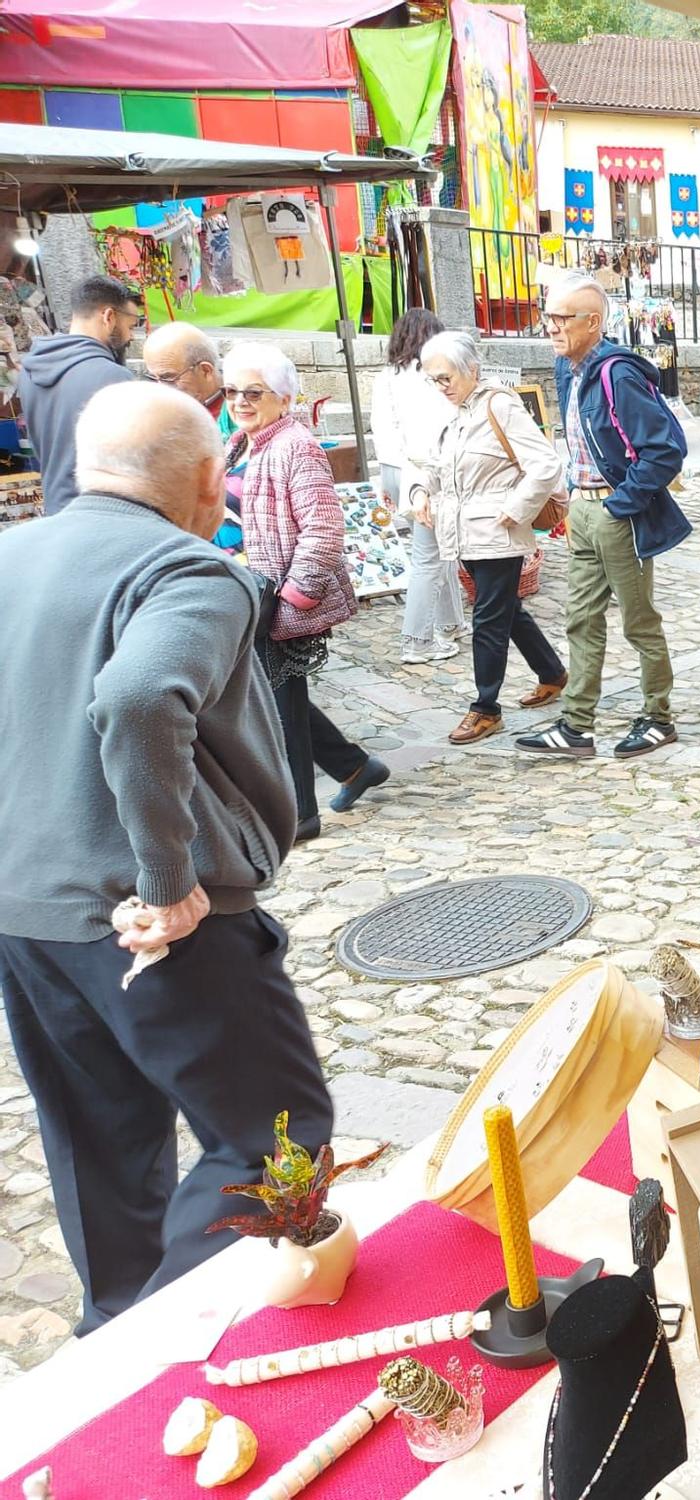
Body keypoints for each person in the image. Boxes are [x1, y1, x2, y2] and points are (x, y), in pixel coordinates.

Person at [0, 381, 332, 1334]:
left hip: (28, 914)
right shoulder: (191, 568)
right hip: (150, 920)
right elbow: (141, 697)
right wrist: (169, 880)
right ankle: (160, 1341)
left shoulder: (13, 553)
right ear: (209, 479)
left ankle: (113, 1335)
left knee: (99, 1145)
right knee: (275, 1141)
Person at [517, 272, 690, 760]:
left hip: (617, 512)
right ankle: (577, 725)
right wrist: (575, 497)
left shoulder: (619, 374)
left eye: (562, 318)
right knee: (581, 618)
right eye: (548, 316)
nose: (551, 326)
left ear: (593, 322)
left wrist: (620, 503)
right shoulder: (566, 367)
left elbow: (665, 452)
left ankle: (658, 718)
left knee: (639, 622)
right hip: (584, 509)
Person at [223, 341, 390, 838]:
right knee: (274, 693)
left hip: (275, 595)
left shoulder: (296, 446)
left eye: (254, 392)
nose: (240, 401)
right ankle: (354, 767)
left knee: (278, 703)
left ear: (283, 397)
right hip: (243, 591)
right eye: (232, 391)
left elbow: (323, 527)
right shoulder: (241, 442)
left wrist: (296, 594)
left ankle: (300, 813)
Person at [414, 330, 567, 746]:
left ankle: (485, 708)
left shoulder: (499, 405)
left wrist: (516, 508)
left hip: (496, 532)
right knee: (503, 609)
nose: (440, 387)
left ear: (471, 370)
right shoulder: (457, 411)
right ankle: (552, 672)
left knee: (488, 619)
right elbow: (437, 465)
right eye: (433, 379)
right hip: (465, 531)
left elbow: (545, 464)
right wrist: (420, 491)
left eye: (445, 378)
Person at [372, 307, 465, 664]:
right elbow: (435, 430)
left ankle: (450, 622)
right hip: (421, 470)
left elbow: (381, 428)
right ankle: (418, 641)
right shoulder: (428, 378)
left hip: (393, 468)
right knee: (429, 557)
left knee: (440, 549)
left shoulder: (387, 376)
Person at [18, 274, 142, 515]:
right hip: (102, 515)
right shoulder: (114, 377)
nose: (131, 337)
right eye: (130, 326)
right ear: (109, 317)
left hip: (55, 510)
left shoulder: (30, 370)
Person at [142, 320, 233, 436]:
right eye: (153, 378)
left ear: (205, 371)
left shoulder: (240, 415)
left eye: (168, 378)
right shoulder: (155, 411)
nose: (161, 389)